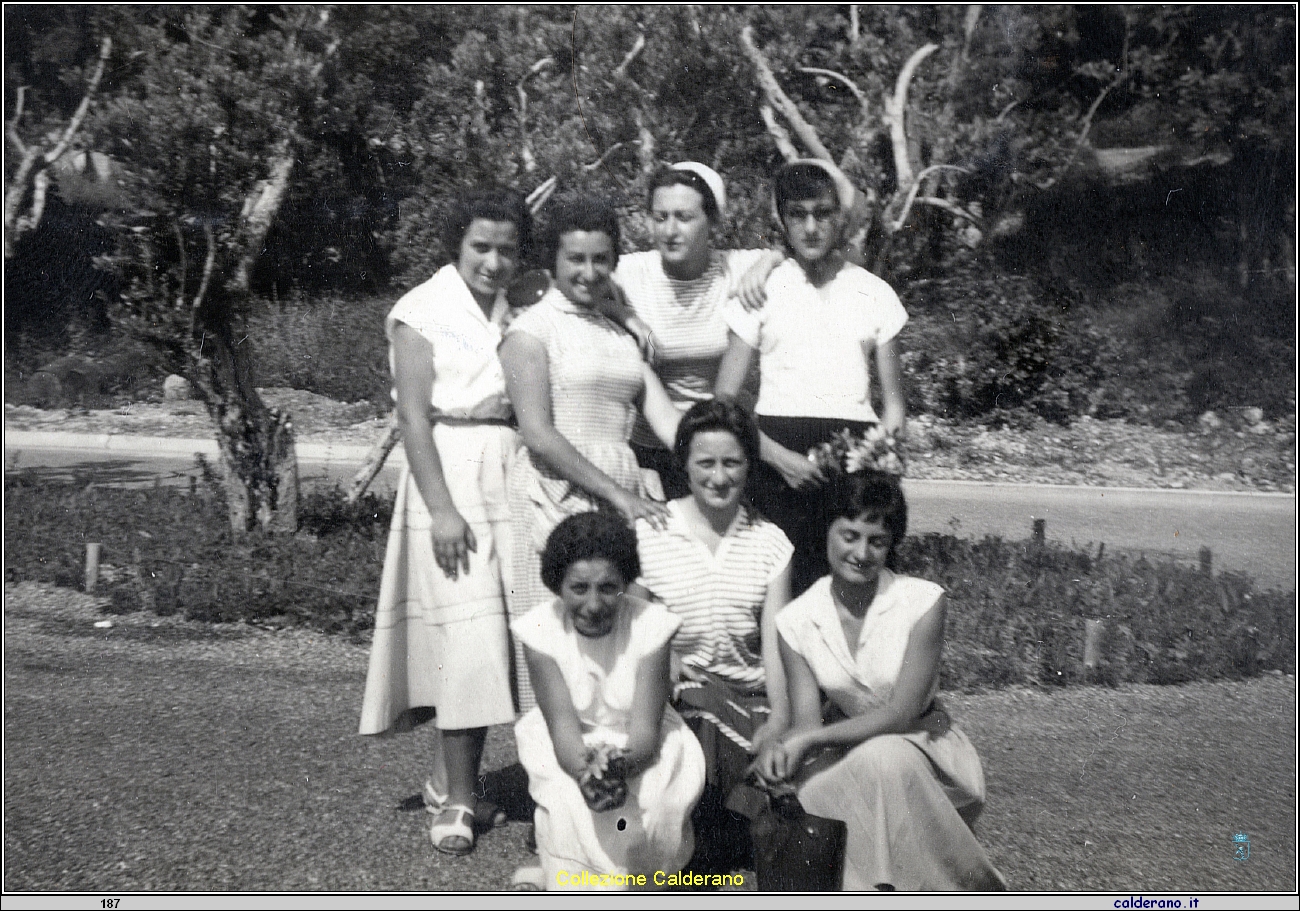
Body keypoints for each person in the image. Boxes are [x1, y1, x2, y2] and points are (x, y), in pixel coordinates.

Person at [357, 188, 529, 856]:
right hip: (449, 475)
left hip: (506, 470)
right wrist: (443, 508)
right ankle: (458, 796)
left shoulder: (521, 309)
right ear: (457, 243)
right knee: (467, 635)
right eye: (481, 246)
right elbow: (412, 418)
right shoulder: (421, 310)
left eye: (507, 249)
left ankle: (444, 775)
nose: (493, 261)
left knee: (490, 637)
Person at [754, 469, 1007, 891]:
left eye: (877, 541)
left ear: (892, 545)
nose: (861, 553)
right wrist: (784, 754)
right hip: (849, 754)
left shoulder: (922, 601)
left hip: (929, 748)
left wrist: (810, 742)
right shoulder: (795, 620)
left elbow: (903, 711)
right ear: (827, 533)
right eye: (849, 535)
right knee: (812, 799)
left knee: (885, 760)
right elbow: (805, 725)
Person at [499, 193, 684, 712]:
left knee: (618, 645)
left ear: (615, 261)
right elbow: (537, 432)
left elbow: (668, 422)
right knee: (556, 640)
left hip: (620, 489)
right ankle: (553, 773)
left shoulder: (621, 332)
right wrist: (618, 496)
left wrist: (731, 462)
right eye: (575, 259)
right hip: (555, 489)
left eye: (600, 258)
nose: (587, 271)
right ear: (553, 263)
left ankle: (618, 770)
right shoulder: (530, 331)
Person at [715, 159, 908, 597]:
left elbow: (894, 403)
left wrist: (882, 467)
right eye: (797, 215)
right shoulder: (760, 291)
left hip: (856, 455)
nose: (811, 227)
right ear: (782, 221)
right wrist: (779, 458)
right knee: (781, 591)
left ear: (841, 216)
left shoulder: (874, 293)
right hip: (775, 455)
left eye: (822, 213)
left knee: (859, 585)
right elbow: (725, 398)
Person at [632, 399, 792, 871]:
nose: (719, 477)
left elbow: (777, 647)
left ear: (750, 465)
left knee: (784, 752)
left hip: (749, 695)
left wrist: (780, 720)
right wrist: (661, 654)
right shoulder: (651, 532)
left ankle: (718, 840)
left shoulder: (771, 542)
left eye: (732, 462)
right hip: (678, 698)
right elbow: (634, 630)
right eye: (706, 463)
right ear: (684, 464)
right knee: (697, 720)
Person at [510, 512, 706, 891]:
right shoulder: (539, 631)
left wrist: (621, 767)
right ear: (557, 585)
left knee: (651, 799)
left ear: (626, 584)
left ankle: (641, 884)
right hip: (571, 742)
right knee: (569, 803)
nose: (594, 603)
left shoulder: (651, 626)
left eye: (608, 587)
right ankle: (569, 880)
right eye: (579, 588)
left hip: (638, 740)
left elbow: (646, 732)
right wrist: (585, 773)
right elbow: (563, 727)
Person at [612, 162, 785, 499]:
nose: (670, 230)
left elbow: (821, 250)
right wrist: (621, 313)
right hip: (651, 449)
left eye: (684, 217)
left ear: (713, 221)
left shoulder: (736, 267)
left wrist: (770, 261)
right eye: (660, 217)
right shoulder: (632, 273)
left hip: (724, 447)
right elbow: (568, 284)